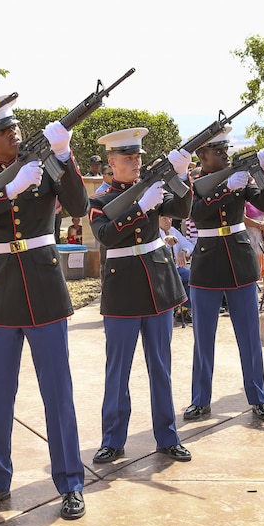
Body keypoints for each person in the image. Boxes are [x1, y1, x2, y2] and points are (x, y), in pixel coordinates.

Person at [0, 95, 90, 520]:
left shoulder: (47, 166)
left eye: (12, 127)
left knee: (58, 393)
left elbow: (80, 205)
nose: (10, 134)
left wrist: (64, 156)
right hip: (4, 289)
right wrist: (8, 191)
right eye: (0, 131)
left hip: (46, 286)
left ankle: (70, 482)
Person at [88, 127, 192, 464]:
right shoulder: (100, 200)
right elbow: (107, 236)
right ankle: (113, 439)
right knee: (118, 370)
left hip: (157, 285)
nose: (135, 163)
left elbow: (184, 209)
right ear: (112, 162)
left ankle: (167, 436)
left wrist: (182, 173)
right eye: (128, 158)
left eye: (138, 157)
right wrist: (139, 208)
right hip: (122, 289)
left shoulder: (153, 188)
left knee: (160, 367)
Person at [183, 126, 264, 423]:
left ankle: (258, 397)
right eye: (217, 150)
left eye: (225, 149)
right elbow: (196, 213)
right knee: (204, 337)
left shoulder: (240, 175)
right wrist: (226, 190)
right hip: (208, 258)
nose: (224, 154)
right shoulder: (193, 182)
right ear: (202, 155)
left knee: (249, 335)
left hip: (238, 259)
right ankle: (200, 400)